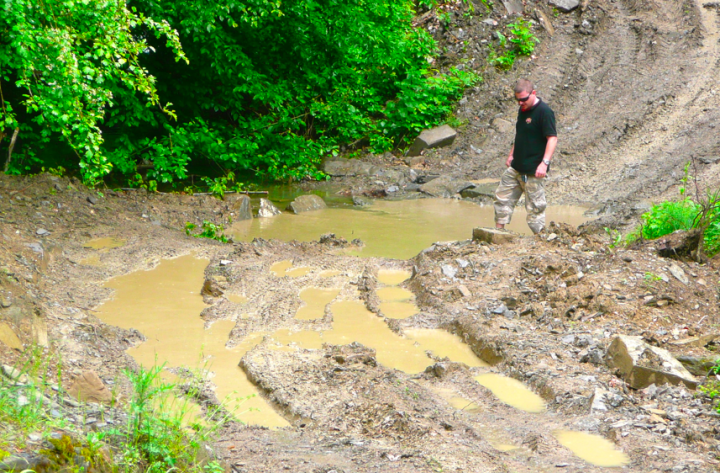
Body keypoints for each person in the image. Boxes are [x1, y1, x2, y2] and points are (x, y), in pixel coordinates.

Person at [493, 79, 557, 234]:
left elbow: (552, 138)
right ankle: (498, 233)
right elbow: (521, 134)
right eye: (517, 100)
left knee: (535, 208)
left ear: (533, 93)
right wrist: (511, 155)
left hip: (533, 170)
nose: (520, 103)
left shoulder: (544, 112)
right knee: (502, 198)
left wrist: (544, 163)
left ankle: (540, 238)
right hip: (516, 167)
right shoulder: (522, 110)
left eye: (523, 99)